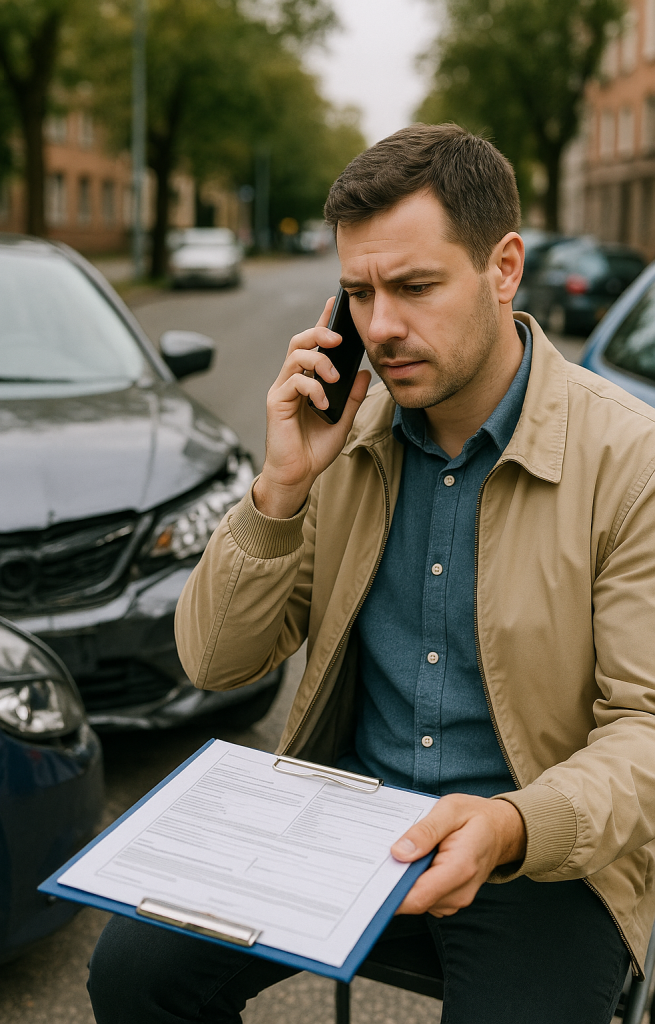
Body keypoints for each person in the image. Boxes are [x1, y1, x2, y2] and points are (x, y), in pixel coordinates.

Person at [88, 124, 655, 1024]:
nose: (380, 326)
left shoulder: (629, 459)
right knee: (130, 973)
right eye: (357, 293)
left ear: (503, 268)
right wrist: (278, 489)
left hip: (539, 849)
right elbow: (213, 662)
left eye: (415, 287)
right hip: (344, 819)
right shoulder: (344, 436)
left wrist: (512, 825)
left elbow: (645, 731)